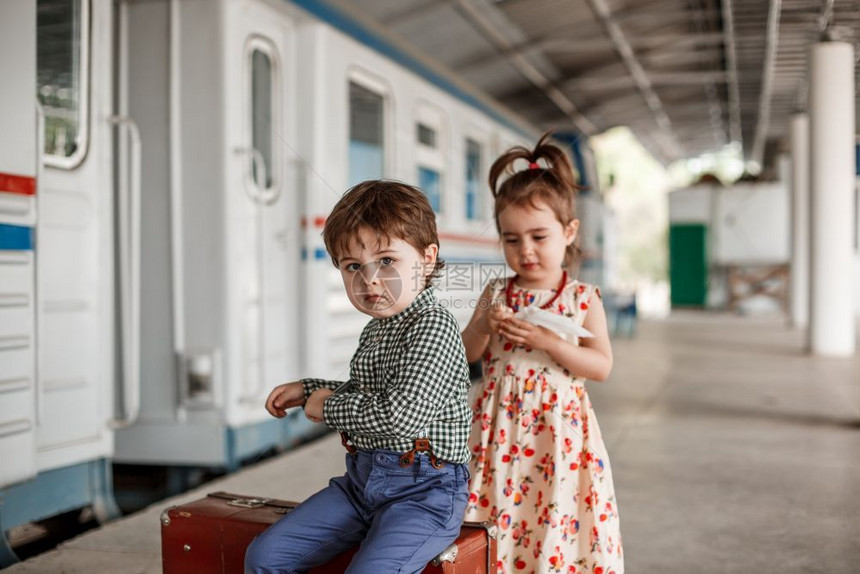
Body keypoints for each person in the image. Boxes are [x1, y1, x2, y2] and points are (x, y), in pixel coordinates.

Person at [244, 180, 472, 574]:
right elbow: (365, 390)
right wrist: (309, 390)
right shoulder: (379, 328)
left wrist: (329, 407)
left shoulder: (433, 325)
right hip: (362, 484)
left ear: (427, 258)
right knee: (266, 557)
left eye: (386, 261)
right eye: (353, 267)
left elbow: (400, 416)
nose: (369, 281)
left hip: (426, 493)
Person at [461, 133, 624, 573]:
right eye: (512, 240)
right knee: (498, 521)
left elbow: (601, 366)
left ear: (568, 232)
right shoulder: (496, 292)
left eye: (538, 236)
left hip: (558, 436)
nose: (525, 250)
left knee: (554, 518)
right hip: (499, 433)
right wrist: (483, 324)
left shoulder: (582, 299)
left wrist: (548, 341)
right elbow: (467, 353)